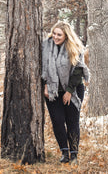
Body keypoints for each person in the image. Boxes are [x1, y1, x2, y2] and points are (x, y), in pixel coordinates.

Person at [41, 21, 89, 164]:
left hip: (73, 89)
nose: (55, 37)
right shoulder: (45, 46)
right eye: (54, 33)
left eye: (59, 35)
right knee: (58, 121)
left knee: (72, 121)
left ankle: (74, 154)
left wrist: (69, 91)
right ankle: (64, 152)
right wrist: (45, 85)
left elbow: (78, 71)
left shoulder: (74, 47)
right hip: (53, 91)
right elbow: (41, 67)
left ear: (66, 36)